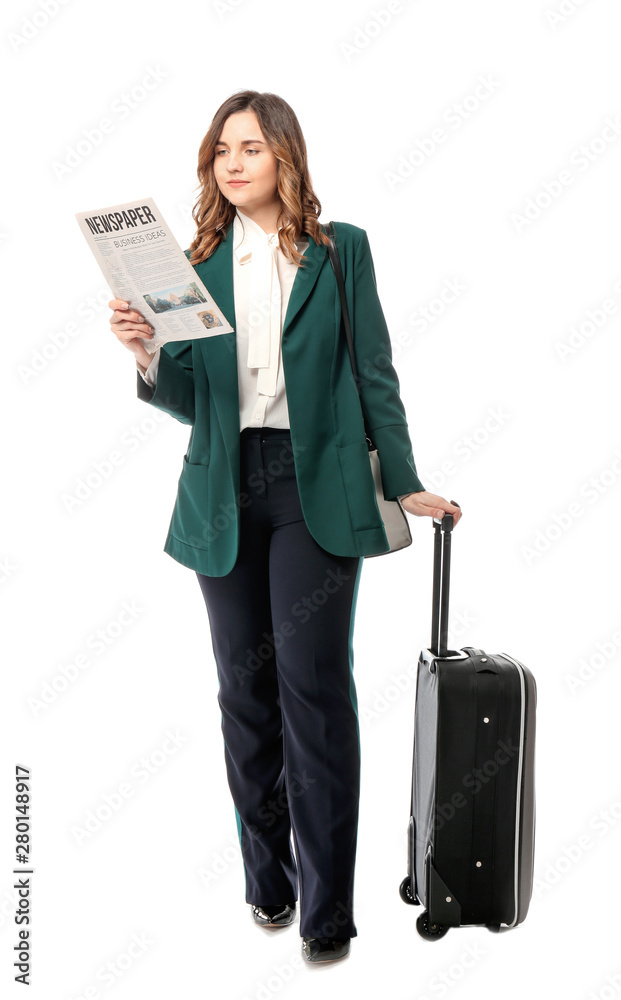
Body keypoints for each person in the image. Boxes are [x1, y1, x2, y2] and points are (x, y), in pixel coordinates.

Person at [108, 89, 462, 964]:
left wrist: (405, 480)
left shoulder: (344, 253)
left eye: (252, 149)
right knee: (243, 695)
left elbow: (372, 368)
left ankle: (327, 910)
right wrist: (148, 353)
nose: (233, 163)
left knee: (312, 688)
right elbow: (196, 402)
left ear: (286, 160)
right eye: (221, 149)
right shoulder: (191, 262)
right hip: (226, 492)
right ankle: (267, 884)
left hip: (317, 491)